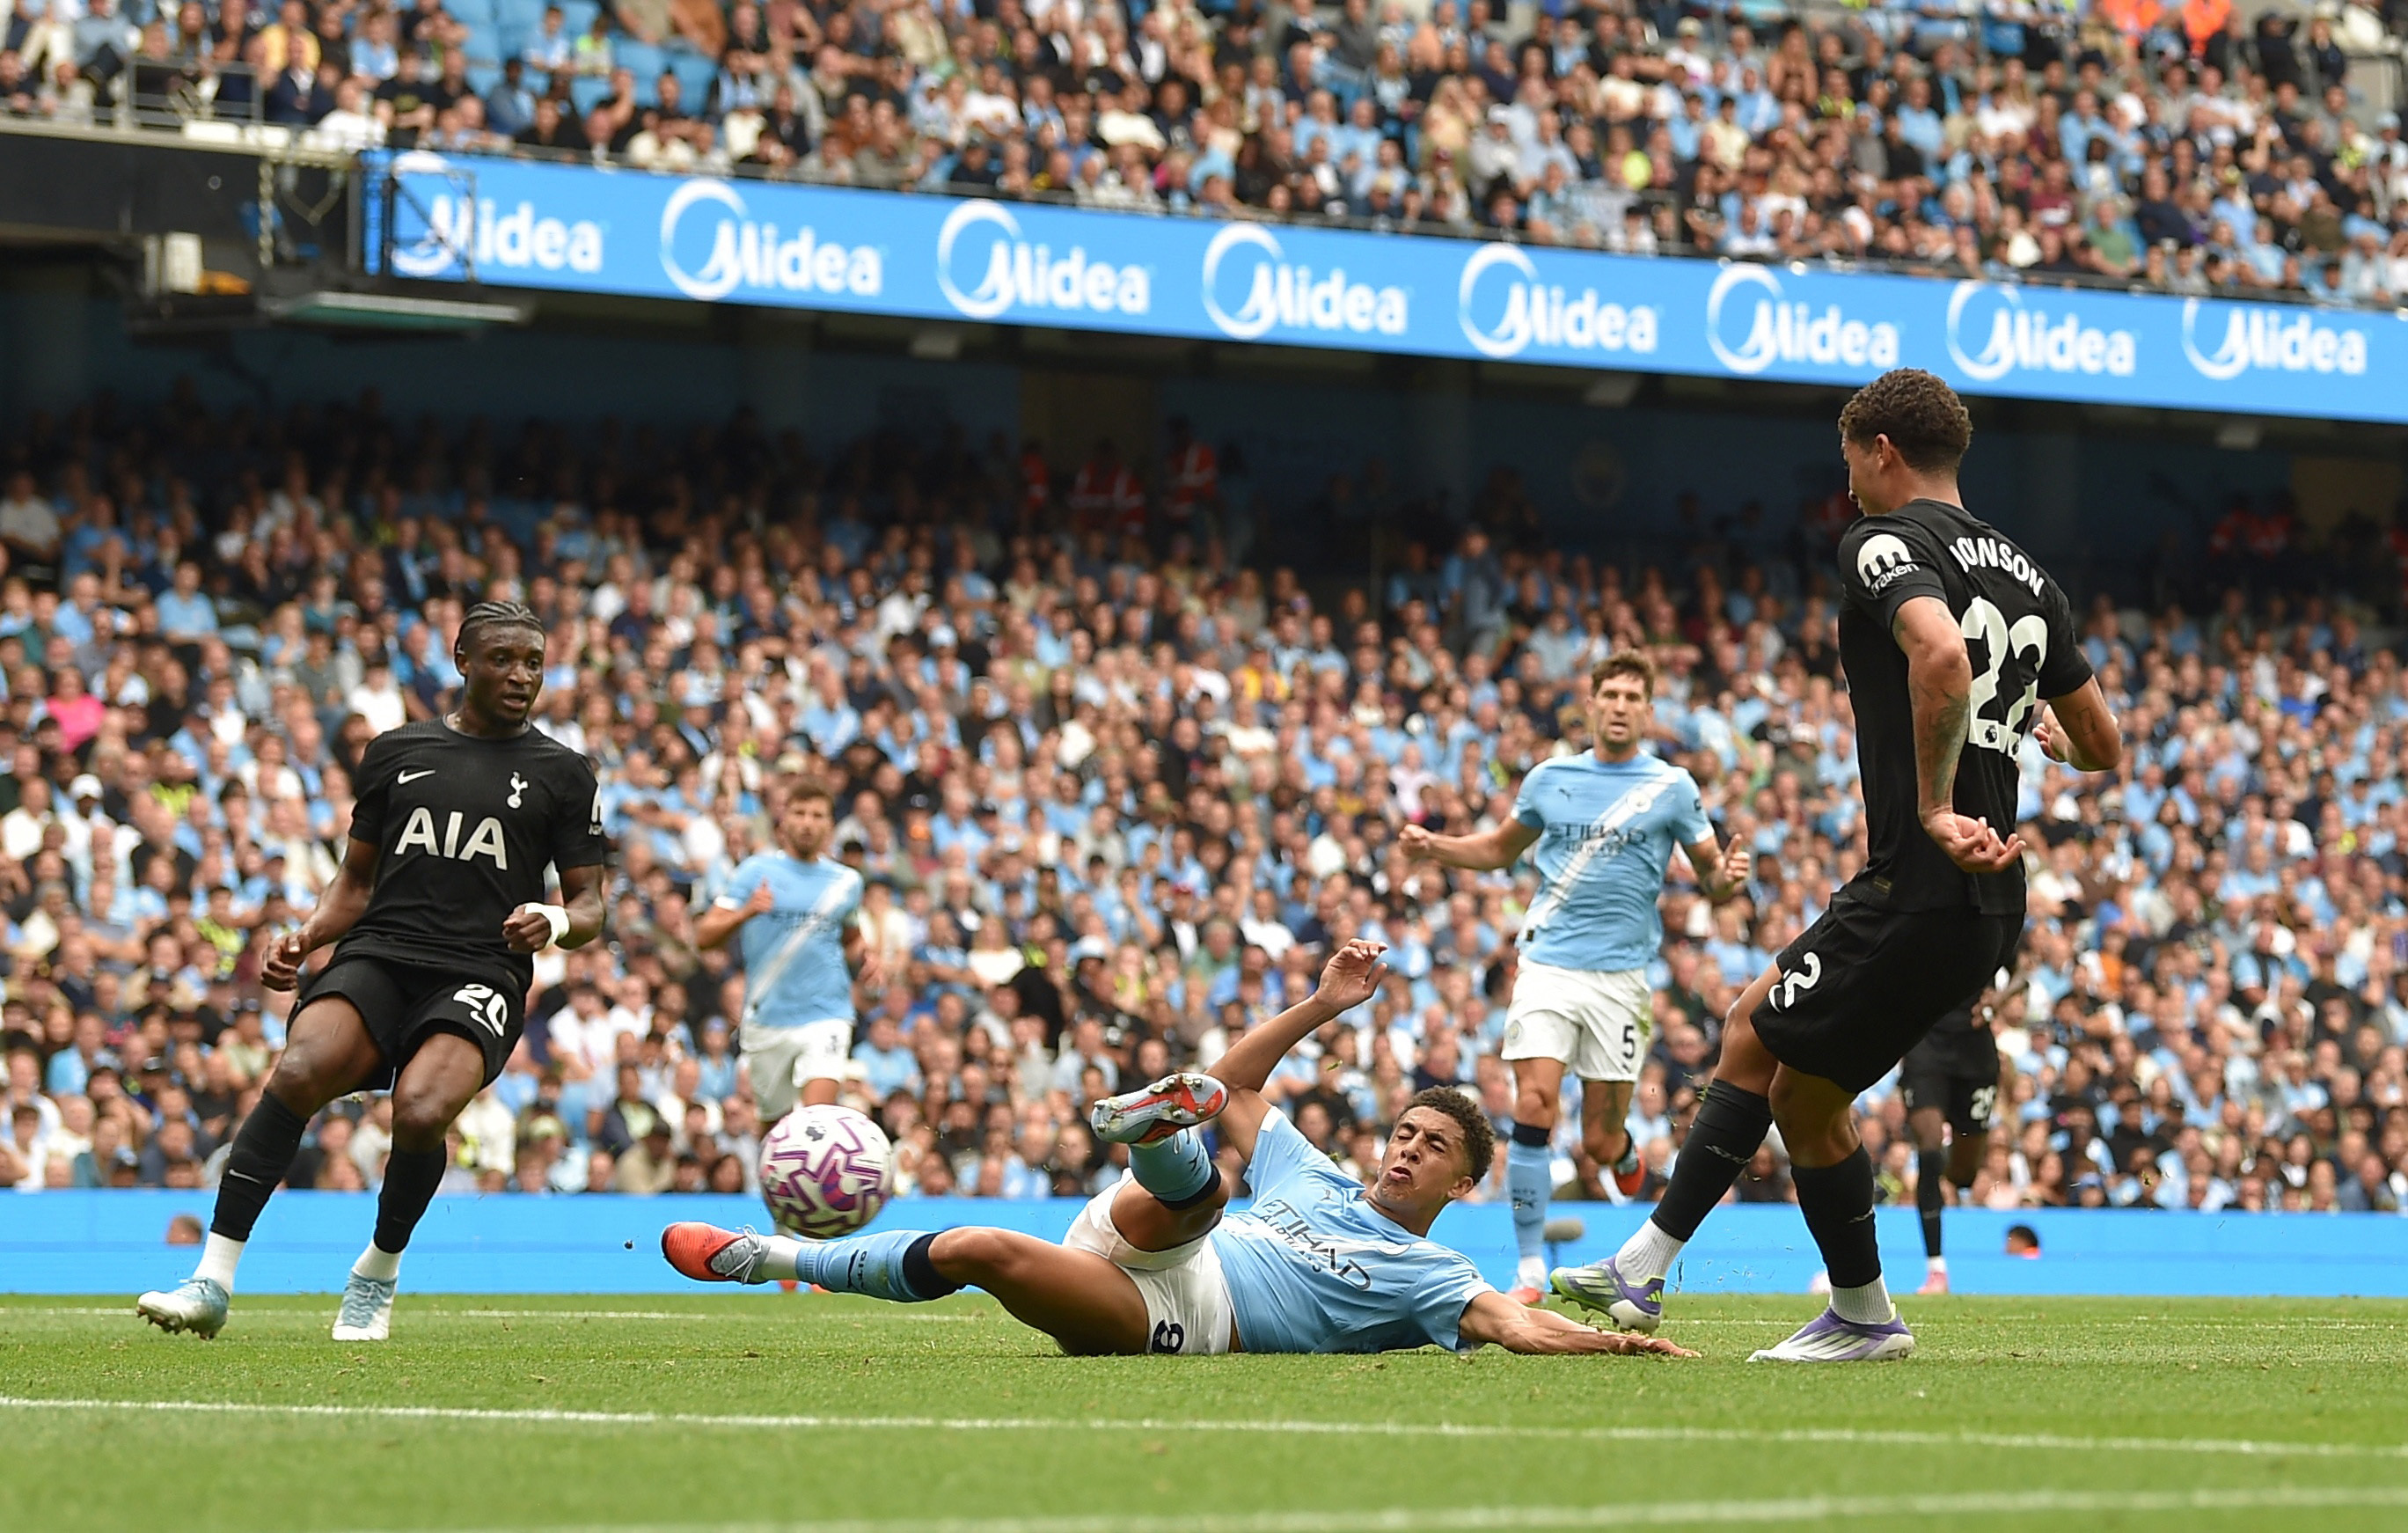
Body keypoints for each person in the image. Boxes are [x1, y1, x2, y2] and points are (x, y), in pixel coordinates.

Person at [1553, 369, 2120, 1361]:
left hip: (1921, 879)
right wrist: (2048, 745)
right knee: (1772, 1057)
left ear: (1883, 451)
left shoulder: (1883, 542)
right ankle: (1650, 1270)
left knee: (1781, 1071)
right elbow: (2102, 739)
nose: (1847, 478)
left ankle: (1835, 1308)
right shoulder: (2030, 573)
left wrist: (1938, 807)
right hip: (1989, 899)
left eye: (1850, 456)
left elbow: (1940, 656)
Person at [662, 941, 1695, 1361]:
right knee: (1198, 1186)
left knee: (982, 1245)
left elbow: (1513, 1325)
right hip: (1154, 1231)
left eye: (1430, 1150)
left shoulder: (1433, 1271)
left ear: (1465, 1183)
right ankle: (1160, 1133)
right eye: (1404, 1133)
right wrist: (1324, 1003)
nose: (1405, 1152)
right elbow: (1243, 1086)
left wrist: (1618, 1344)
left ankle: (769, 1256)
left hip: (1186, 1312)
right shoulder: (1314, 1172)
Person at [136, 601, 609, 1342]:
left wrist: (552, 920)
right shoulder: (395, 750)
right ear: (461, 660)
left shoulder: (562, 772)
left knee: (419, 1111)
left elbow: (590, 906)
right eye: (503, 660)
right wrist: (307, 934)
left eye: (533, 663)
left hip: (481, 969)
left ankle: (376, 1273)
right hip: (382, 951)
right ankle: (212, 1280)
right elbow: (355, 883)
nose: (521, 676)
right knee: (299, 1070)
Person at [1401, 651, 1752, 1303]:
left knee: (1596, 1137)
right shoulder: (1548, 777)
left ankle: (1619, 1154)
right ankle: (1529, 1268)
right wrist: (1435, 848)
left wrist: (1725, 882)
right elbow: (1499, 849)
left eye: (1631, 696)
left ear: (1646, 711)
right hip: (1546, 962)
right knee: (1532, 1102)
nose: (1618, 706)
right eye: (1608, 694)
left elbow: (1709, 875)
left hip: (1619, 978)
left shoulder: (1671, 786)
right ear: (1589, 705)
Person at [693, 772, 880, 1133]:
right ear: (784, 819)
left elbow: (852, 938)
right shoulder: (755, 871)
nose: (808, 824)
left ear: (830, 824)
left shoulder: (846, 882)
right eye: (800, 813)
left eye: (817, 815)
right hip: (768, 1016)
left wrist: (866, 958)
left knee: (817, 1123)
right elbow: (703, 937)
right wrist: (747, 912)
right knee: (774, 1129)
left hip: (827, 1013)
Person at [1901, 976, 2012, 1295]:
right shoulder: (1918, 928)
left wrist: (2000, 995)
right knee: (1930, 1149)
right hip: (1926, 1045)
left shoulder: (1991, 926)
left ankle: (1945, 1179)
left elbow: (2022, 972)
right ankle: (1936, 1269)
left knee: (1963, 1175)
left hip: (1975, 1052)